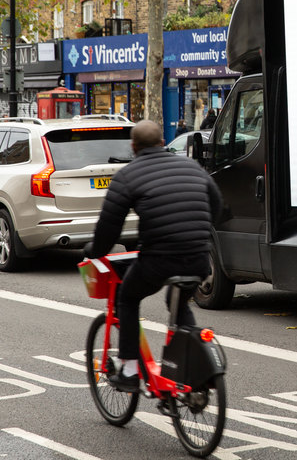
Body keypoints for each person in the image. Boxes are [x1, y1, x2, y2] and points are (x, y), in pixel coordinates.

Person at [85, 119, 223, 392]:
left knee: (128, 297)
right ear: (162, 143)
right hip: (198, 257)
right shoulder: (191, 166)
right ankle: (187, 367)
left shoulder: (128, 175)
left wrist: (94, 251)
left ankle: (129, 371)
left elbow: (109, 228)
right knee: (180, 303)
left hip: (158, 259)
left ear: (133, 147)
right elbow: (217, 205)